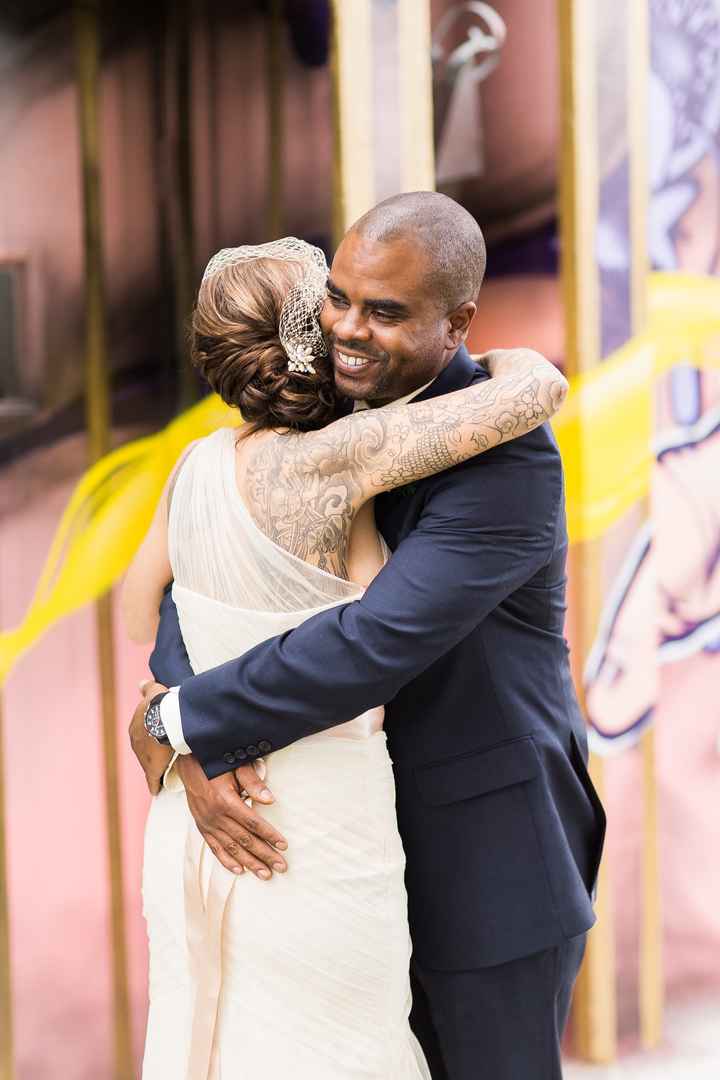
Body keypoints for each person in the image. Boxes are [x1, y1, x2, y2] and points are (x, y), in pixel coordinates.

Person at [128, 192, 605, 1080]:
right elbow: (200, 570)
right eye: (338, 296)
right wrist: (180, 706)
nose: (347, 327)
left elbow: (375, 639)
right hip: (329, 853)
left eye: (384, 312)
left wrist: (182, 722)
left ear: (458, 322)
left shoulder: (511, 458)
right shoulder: (322, 415)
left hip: (485, 867)